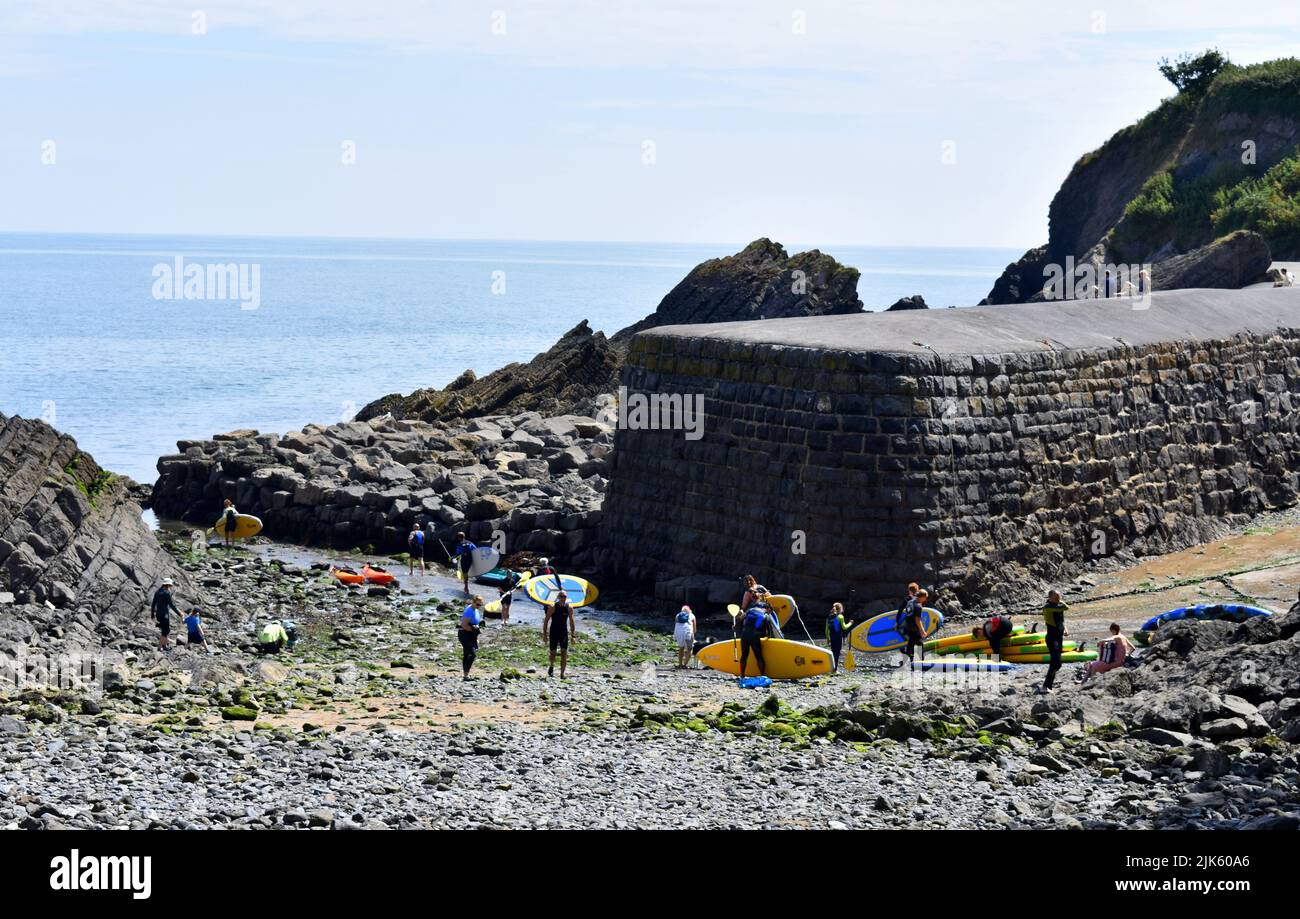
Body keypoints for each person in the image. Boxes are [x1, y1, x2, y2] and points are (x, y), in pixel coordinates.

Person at [1038, 589, 1069, 694]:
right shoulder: (1048, 607)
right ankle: (1045, 686)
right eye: (1056, 597)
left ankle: (1048, 686)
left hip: (1059, 638)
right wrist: (1061, 601)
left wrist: (1065, 629)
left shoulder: (1056, 607)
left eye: (1059, 597)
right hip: (1052, 638)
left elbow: (1061, 620)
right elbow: (1066, 607)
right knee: (1055, 663)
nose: (1058, 599)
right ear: (1050, 597)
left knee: (1057, 664)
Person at [543, 591, 576, 679]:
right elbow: (546, 620)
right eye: (561, 596)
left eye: (564, 596)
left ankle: (562, 674)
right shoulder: (553, 607)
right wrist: (545, 635)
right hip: (554, 631)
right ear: (558, 597)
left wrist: (573, 636)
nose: (563, 598)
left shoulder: (569, 607)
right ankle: (551, 665)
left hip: (563, 632)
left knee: (564, 652)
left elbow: (572, 621)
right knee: (553, 653)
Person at [737, 594, 770, 678]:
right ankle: (762, 675)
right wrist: (767, 637)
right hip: (755, 636)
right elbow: (768, 631)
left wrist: (735, 627)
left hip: (744, 635)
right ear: (766, 608)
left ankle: (742, 675)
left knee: (744, 656)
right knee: (758, 656)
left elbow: (740, 619)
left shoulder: (750, 610)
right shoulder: (765, 615)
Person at [459, 596, 485, 680]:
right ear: (473, 602)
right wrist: (473, 630)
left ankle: (465, 675)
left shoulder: (476, 610)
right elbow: (463, 625)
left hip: (471, 635)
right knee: (472, 654)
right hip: (464, 634)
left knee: (466, 654)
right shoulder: (469, 611)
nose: (478, 606)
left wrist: (475, 634)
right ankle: (466, 675)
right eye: (477, 604)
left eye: (480, 605)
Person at [151, 578, 181, 649]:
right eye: (170, 585)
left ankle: (164, 645)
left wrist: (152, 615)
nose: (171, 587)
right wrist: (179, 614)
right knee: (165, 631)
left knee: (166, 630)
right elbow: (172, 605)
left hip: (158, 614)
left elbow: (153, 604)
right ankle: (160, 647)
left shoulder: (157, 592)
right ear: (168, 585)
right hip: (165, 615)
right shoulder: (167, 593)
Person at [902, 588, 928, 662]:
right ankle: (921, 661)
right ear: (922, 597)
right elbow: (917, 620)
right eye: (926, 597)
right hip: (914, 628)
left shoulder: (910, 602)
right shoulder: (918, 606)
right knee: (919, 644)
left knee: (912, 643)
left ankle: (908, 660)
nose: (926, 599)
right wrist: (922, 631)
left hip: (907, 626)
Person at [825, 602, 849, 672]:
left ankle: (832, 668)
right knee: (837, 653)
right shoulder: (840, 617)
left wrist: (828, 639)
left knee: (833, 652)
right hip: (838, 637)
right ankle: (835, 669)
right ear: (840, 609)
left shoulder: (829, 617)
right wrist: (850, 623)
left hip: (832, 637)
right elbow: (844, 627)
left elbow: (826, 630)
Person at [673, 604, 697, 669]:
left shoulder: (677, 615)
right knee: (690, 649)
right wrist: (693, 636)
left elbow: (676, 624)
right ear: (689, 610)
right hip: (688, 632)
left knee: (681, 648)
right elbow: (694, 628)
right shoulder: (692, 615)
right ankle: (685, 665)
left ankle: (680, 664)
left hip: (678, 632)